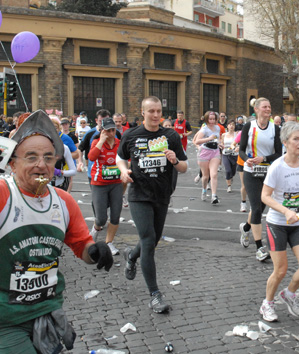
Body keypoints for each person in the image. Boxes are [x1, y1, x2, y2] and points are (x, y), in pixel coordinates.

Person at [0, 110, 113, 353]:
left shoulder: (63, 201)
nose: (41, 165)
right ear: (12, 162)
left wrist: (96, 251)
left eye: (49, 158)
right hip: (5, 318)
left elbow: (81, 243)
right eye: (31, 158)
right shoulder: (3, 194)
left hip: (47, 310)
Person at [117, 96, 188, 314]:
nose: (156, 115)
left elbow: (184, 167)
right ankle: (155, 294)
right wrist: (123, 171)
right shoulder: (131, 135)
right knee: (148, 241)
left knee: (153, 239)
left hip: (162, 195)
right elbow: (120, 158)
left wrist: (175, 160)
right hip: (139, 195)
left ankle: (131, 255)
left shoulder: (170, 135)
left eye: (159, 111)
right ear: (143, 112)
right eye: (151, 111)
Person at [259, 121, 299, 322]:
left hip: (298, 222)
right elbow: (265, 196)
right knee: (281, 270)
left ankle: (289, 293)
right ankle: (267, 303)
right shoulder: (277, 166)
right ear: (285, 142)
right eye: (296, 139)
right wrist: (285, 211)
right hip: (277, 224)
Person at [238, 98, 283, 261]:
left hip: (268, 173)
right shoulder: (249, 126)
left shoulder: (275, 129)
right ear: (256, 109)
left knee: (260, 209)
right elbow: (241, 150)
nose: (268, 109)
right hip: (251, 171)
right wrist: (247, 159)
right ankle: (259, 248)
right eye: (264, 106)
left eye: (269, 106)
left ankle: (246, 227)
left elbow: (279, 153)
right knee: (256, 208)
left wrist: (264, 158)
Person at [88, 117, 123, 256]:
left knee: (115, 215)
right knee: (101, 218)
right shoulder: (97, 142)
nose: (111, 133)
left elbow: (126, 159)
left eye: (113, 130)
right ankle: (95, 231)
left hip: (115, 183)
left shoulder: (119, 143)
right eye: (108, 130)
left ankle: (109, 243)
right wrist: (101, 141)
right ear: (102, 131)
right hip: (99, 183)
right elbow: (91, 157)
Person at [193, 111, 222, 204]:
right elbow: (197, 141)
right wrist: (209, 138)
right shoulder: (204, 130)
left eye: (214, 119)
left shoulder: (217, 128)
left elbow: (218, 138)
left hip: (215, 152)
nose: (212, 121)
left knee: (214, 174)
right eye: (210, 119)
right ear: (206, 119)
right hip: (204, 152)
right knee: (205, 176)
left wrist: (220, 144)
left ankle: (214, 196)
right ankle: (204, 190)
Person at [221, 120, 238, 193]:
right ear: (227, 126)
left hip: (234, 155)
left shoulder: (236, 134)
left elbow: (239, 143)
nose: (231, 126)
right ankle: (229, 186)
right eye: (230, 124)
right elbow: (222, 143)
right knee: (228, 170)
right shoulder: (224, 135)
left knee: (233, 172)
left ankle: (231, 177)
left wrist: (237, 147)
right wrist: (221, 146)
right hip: (225, 154)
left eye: (233, 125)